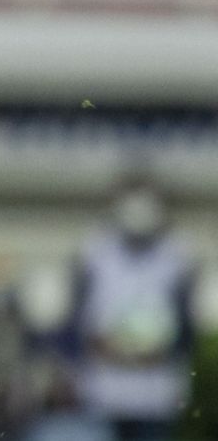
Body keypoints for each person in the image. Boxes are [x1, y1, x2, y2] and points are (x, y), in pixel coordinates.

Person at [65, 172, 197, 441]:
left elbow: (186, 326)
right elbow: (76, 319)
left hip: (157, 392)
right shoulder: (95, 250)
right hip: (103, 390)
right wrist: (102, 347)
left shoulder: (178, 254)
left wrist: (159, 350)